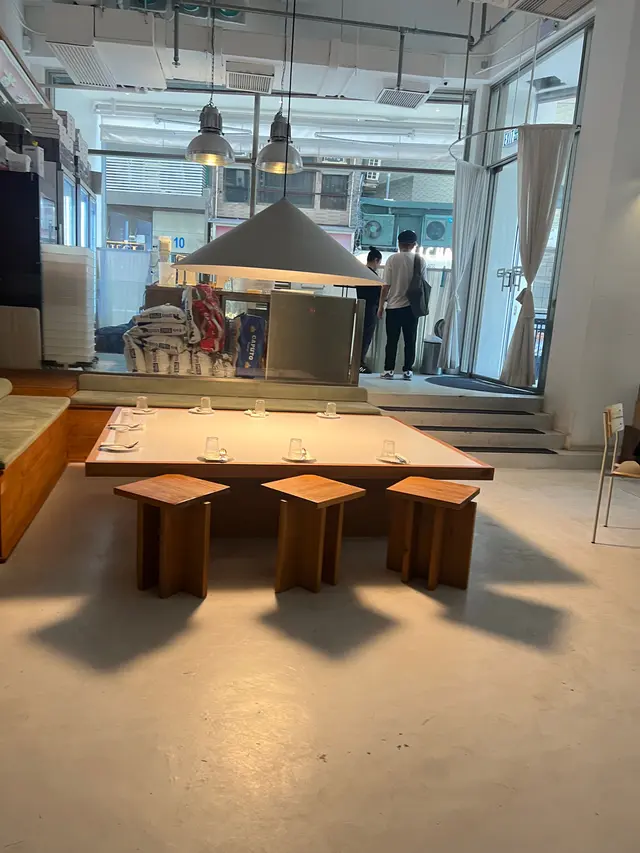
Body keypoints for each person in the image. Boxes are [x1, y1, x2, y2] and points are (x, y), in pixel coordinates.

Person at [378, 229, 427, 380]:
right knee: (410, 340)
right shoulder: (420, 261)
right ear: (414, 245)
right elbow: (423, 285)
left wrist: (380, 306)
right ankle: (407, 371)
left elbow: (386, 286)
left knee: (391, 340)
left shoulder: (392, 259)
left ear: (399, 244)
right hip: (412, 308)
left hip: (393, 306)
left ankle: (389, 370)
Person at [355, 247, 382, 374]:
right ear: (376, 260)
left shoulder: (361, 272)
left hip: (361, 306)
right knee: (366, 337)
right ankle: (360, 363)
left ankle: (357, 362)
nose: (379, 265)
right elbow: (378, 294)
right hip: (370, 308)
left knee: (360, 336)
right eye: (379, 262)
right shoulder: (372, 276)